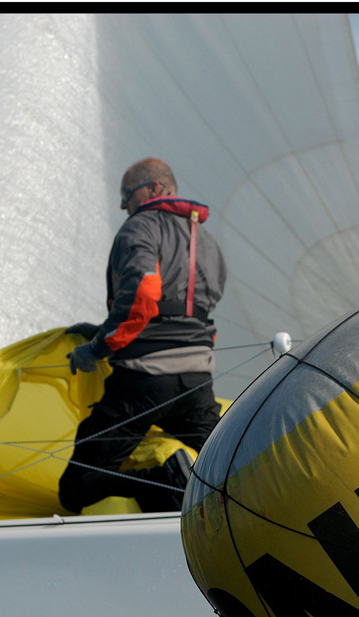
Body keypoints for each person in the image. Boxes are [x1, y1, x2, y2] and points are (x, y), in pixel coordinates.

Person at [58, 158, 226, 513]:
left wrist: (97, 347)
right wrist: (104, 329)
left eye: (126, 194)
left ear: (154, 189)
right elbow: (195, 305)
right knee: (231, 462)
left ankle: (169, 480)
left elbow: (143, 298)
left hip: (142, 380)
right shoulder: (207, 240)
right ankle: (183, 497)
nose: (122, 205)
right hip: (196, 380)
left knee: (76, 488)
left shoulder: (140, 228)